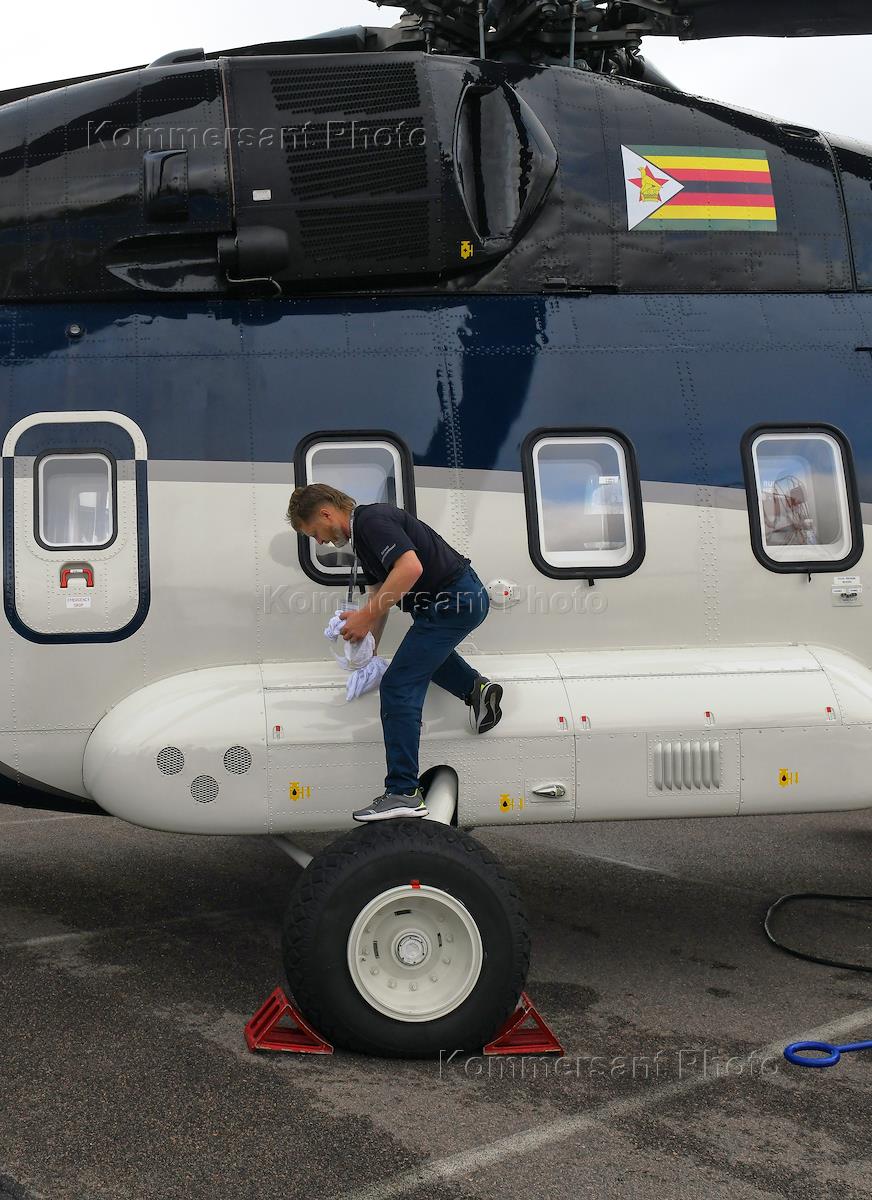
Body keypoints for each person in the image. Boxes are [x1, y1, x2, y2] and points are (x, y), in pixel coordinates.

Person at [286, 483, 503, 822]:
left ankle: (404, 792)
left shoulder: (371, 521)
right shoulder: (363, 540)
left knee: (398, 684)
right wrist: (368, 649)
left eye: (314, 532)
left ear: (326, 514)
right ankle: (477, 690)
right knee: (421, 657)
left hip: (454, 600)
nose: (319, 541)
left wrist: (364, 616)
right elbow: (380, 596)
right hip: (453, 600)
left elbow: (409, 569)